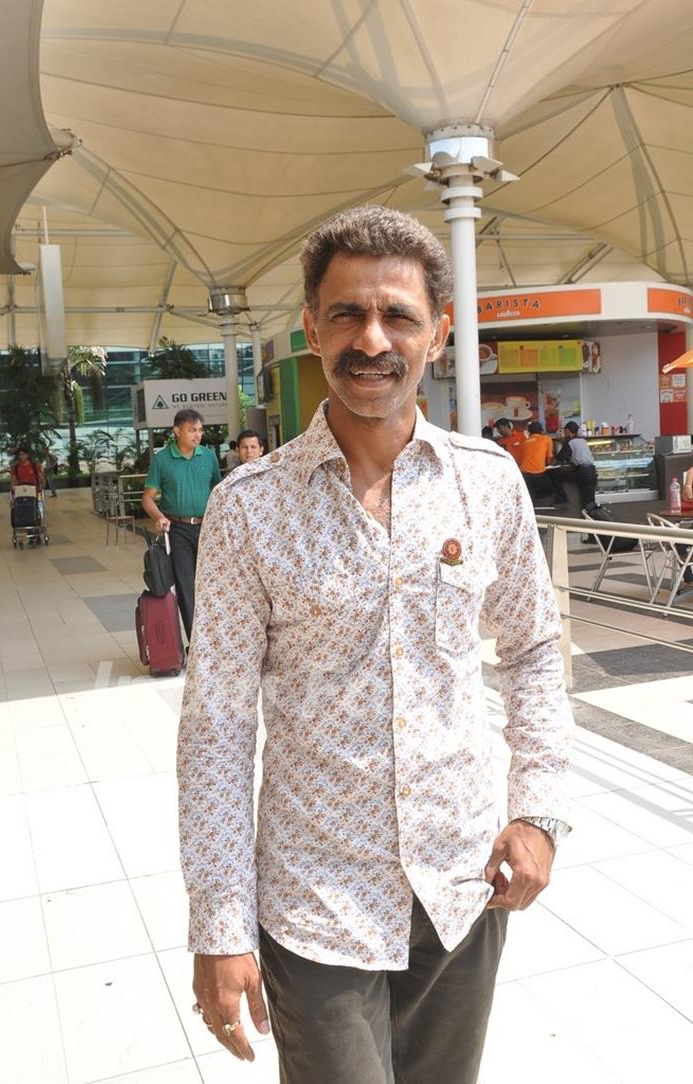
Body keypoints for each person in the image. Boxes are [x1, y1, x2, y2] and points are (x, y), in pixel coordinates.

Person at [179, 206, 573, 1084]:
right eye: (348, 314)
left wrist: (538, 810)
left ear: (437, 332)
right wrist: (218, 923)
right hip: (316, 905)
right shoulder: (250, 509)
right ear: (312, 328)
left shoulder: (488, 483)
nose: (372, 339)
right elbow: (216, 725)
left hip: (463, 890)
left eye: (397, 315)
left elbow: (534, 650)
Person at [141, 409, 221, 644]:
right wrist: (159, 517)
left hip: (208, 529)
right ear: (177, 431)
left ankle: (217, 638)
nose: (198, 435)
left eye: (200, 430)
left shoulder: (208, 457)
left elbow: (219, 491)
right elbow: (147, 498)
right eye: (192, 430)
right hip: (178, 530)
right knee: (186, 586)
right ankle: (197, 643)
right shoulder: (163, 460)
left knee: (213, 583)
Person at [519, 421, 567, 504]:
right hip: (539, 474)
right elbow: (549, 460)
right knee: (555, 475)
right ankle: (561, 501)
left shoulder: (524, 443)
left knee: (530, 490)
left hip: (524, 474)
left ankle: (533, 499)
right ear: (542, 431)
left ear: (529, 432)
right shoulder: (546, 439)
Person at [556, 420, 598, 509]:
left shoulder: (570, 442)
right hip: (593, 472)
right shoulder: (583, 440)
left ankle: (562, 500)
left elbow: (560, 458)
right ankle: (592, 518)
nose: (564, 433)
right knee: (590, 500)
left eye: (565, 431)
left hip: (583, 472)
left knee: (556, 473)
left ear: (567, 431)